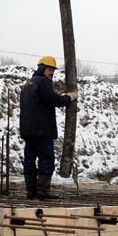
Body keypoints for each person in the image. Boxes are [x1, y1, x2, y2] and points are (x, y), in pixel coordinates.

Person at [19, 55, 77, 199]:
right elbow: (51, 99)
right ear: (42, 68)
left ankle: (31, 190)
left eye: (53, 70)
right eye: (50, 69)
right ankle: (43, 190)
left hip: (28, 130)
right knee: (46, 159)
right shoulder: (43, 82)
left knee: (30, 159)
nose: (52, 73)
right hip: (42, 130)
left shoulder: (28, 83)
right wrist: (68, 98)